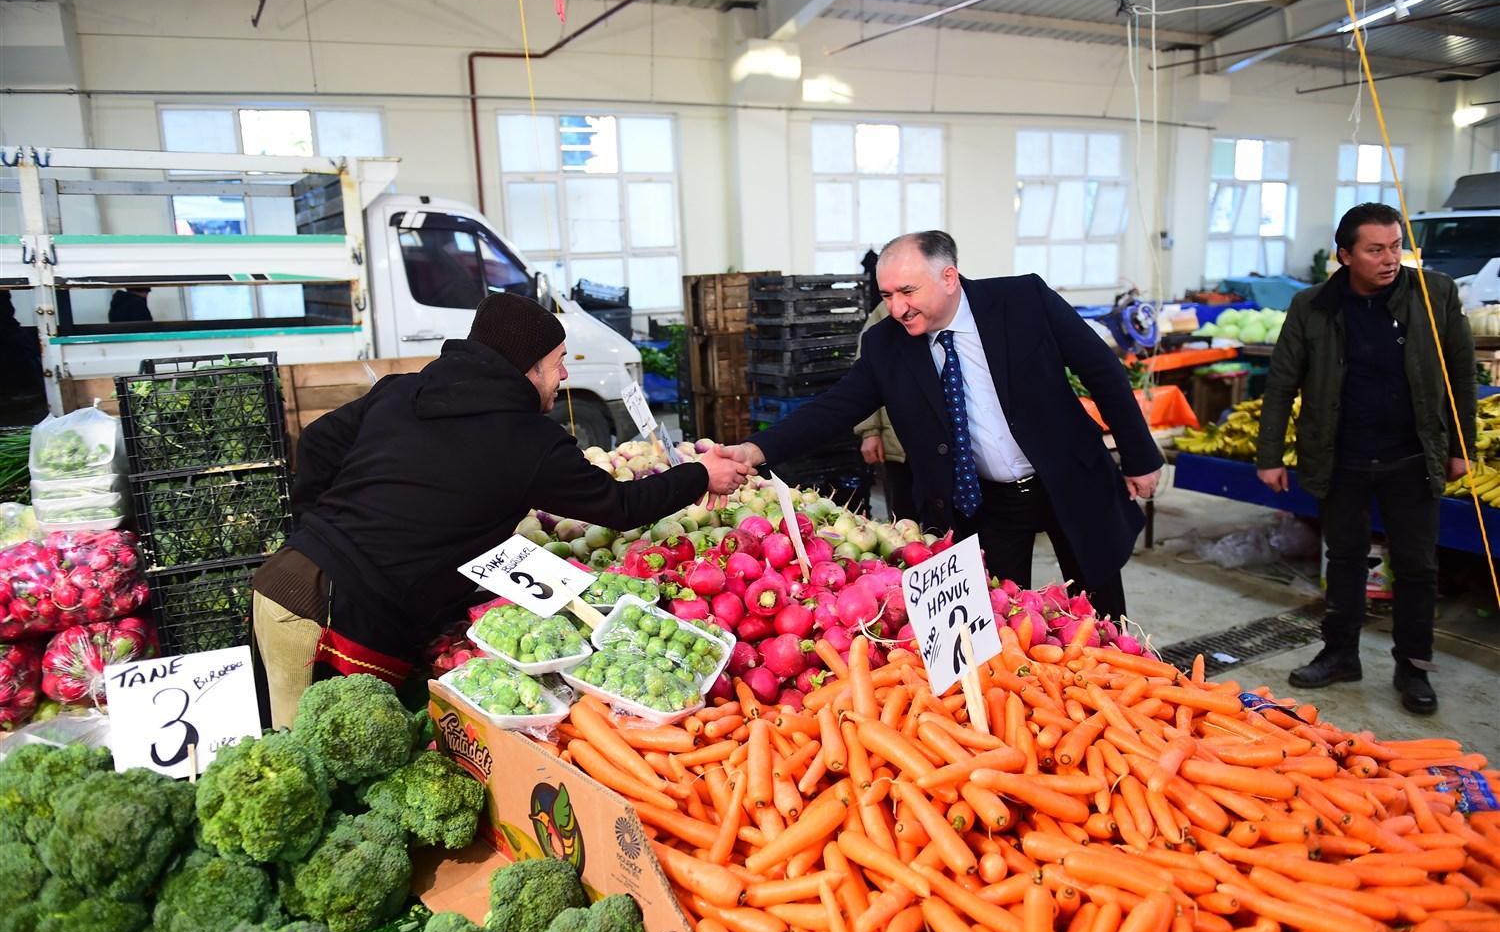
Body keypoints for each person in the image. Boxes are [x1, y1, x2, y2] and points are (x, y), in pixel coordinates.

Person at [251, 292, 753, 726]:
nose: (564, 373)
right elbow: (621, 505)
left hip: (282, 585)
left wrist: (318, 534)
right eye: (557, 360)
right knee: (313, 781)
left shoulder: (403, 390)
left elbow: (316, 442)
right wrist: (700, 474)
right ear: (528, 366)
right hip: (344, 622)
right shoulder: (528, 440)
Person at [725, 231, 1162, 619]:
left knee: (1101, 608)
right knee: (999, 614)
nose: (896, 308)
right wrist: (755, 451)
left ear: (949, 278)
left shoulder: (1023, 301)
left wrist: (1139, 457)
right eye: (887, 295)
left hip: (1066, 478)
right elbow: (833, 407)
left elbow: (1101, 370)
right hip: (984, 501)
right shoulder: (886, 345)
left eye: (907, 291)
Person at [1257, 203, 1475, 715]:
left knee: (1418, 567)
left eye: (1396, 246)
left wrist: (1461, 447)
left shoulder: (1434, 294)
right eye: (1375, 249)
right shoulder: (1312, 306)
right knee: (1346, 560)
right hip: (1341, 456)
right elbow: (1281, 384)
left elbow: (1460, 375)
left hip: (1412, 455)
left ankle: (1414, 669)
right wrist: (1270, 454)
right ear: (1345, 255)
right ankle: (1339, 654)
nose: (1390, 258)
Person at [853, 302, 917, 522]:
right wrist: (870, 431)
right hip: (901, 441)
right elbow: (866, 377)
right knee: (905, 519)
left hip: (953, 444)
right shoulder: (887, 310)